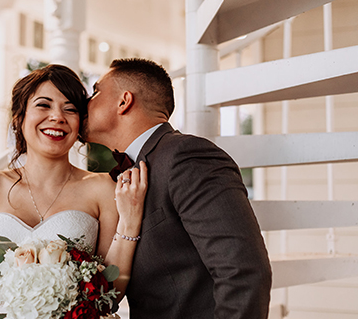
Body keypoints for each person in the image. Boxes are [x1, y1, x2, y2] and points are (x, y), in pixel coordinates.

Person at [0, 65, 148, 318]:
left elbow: (110, 289)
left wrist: (131, 221)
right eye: (43, 105)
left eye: (70, 109)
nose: (57, 116)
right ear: (20, 117)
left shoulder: (102, 189)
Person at [82, 58, 272, 318]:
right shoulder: (136, 169)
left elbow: (243, 272)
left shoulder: (187, 156)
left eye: (95, 92)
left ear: (124, 101)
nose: (86, 102)